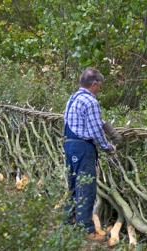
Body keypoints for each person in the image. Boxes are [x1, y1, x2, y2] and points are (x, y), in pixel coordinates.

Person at [63, 67, 114, 241]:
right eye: (99, 85)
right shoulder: (90, 101)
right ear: (94, 84)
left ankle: (69, 222)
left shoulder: (73, 98)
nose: (99, 89)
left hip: (70, 144)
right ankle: (87, 231)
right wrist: (107, 147)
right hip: (83, 147)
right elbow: (94, 130)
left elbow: (82, 121)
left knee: (73, 185)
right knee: (86, 187)